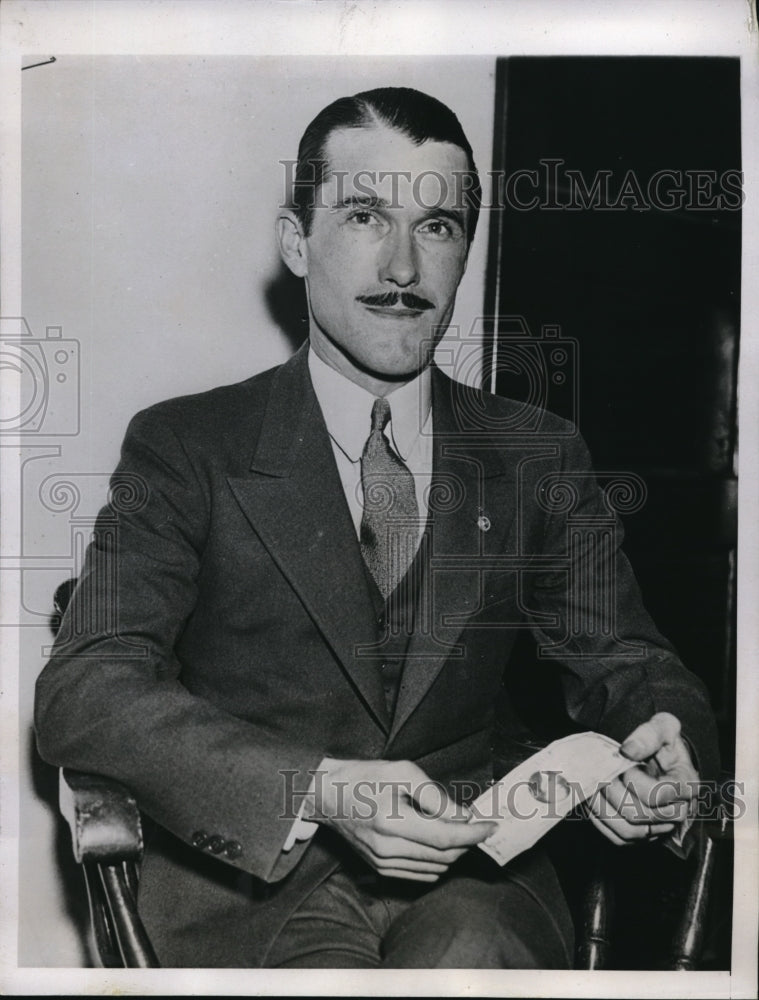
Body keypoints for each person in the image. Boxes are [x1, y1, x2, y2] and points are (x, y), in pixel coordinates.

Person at [35, 86, 719, 968]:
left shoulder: (535, 454)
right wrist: (319, 790)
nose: (402, 268)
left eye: (436, 227)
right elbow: (85, 688)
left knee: (467, 960)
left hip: (473, 877)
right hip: (249, 894)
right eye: (365, 216)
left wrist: (665, 738)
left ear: (464, 252)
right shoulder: (186, 445)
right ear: (295, 242)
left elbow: (625, 658)